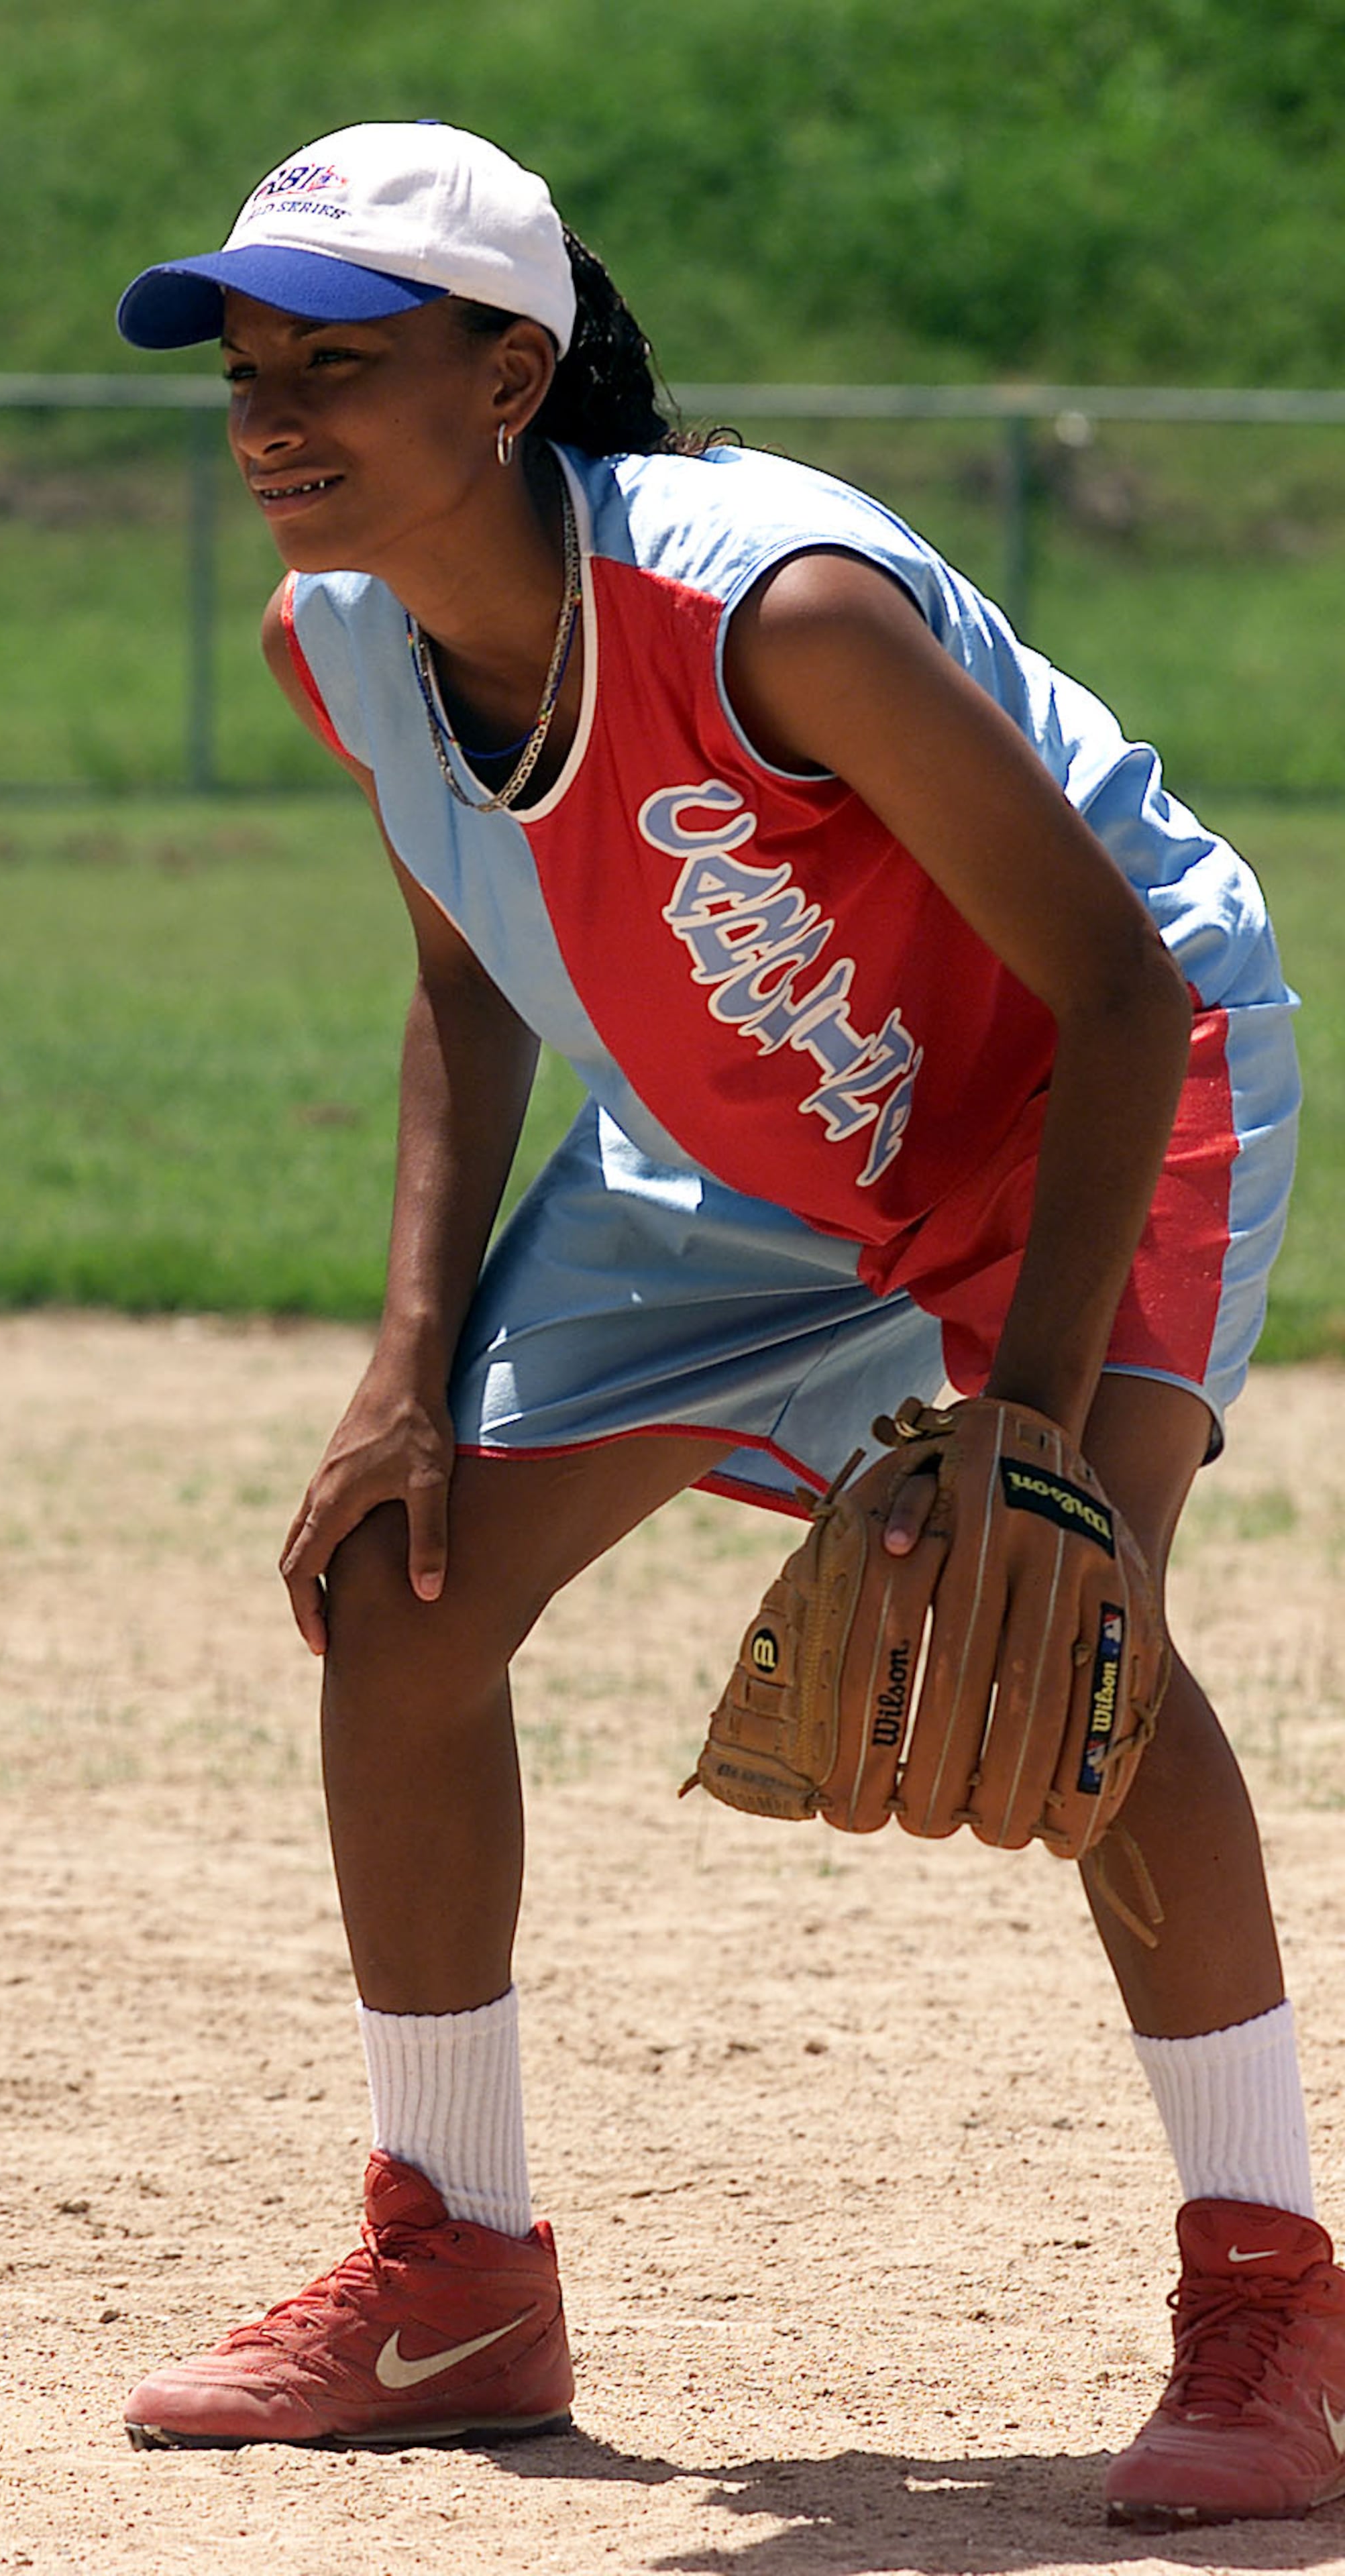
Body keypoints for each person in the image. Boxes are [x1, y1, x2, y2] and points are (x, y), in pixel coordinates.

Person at [113, 123, 1342, 2527]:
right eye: (248, 366)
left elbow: (1106, 983)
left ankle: (1272, 2291)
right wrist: (402, 1369)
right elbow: (469, 978)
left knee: (1073, 1621)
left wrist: (1043, 1431)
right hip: (742, 1157)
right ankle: (455, 2277)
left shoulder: (777, 608)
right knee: (406, 1582)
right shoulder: (344, 630)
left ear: (510, 376)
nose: (273, 413)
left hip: (1077, 1080)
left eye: (337, 362)